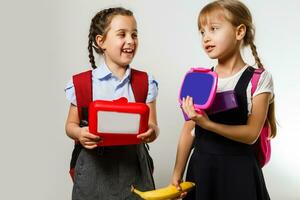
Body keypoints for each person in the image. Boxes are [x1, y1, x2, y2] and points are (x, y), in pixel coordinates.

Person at [171, 1, 276, 200]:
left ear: (239, 32)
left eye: (214, 29)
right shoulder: (198, 79)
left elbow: (251, 134)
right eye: (202, 32)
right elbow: (188, 130)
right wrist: (176, 175)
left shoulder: (259, 79)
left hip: (240, 173)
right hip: (202, 171)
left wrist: (208, 124)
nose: (206, 37)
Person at [64, 7, 159, 200]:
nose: (130, 41)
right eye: (122, 34)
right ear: (101, 41)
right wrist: (80, 133)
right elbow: (70, 126)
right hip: (93, 170)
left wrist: (151, 133)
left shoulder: (145, 82)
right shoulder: (82, 84)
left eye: (134, 34)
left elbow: (153, 126)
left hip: (134, 170)